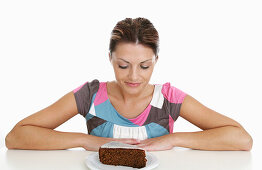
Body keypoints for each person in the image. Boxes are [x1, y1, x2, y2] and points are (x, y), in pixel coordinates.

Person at [5, 17, 252, 152]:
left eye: (144, 66)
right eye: (123, 65)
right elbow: (16, 136)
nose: (134, 76)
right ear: (110, 59)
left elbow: (242, 139)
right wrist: (86, 140)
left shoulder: (168, 98)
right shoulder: (90, 95)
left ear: (156, 60)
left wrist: (174, 140)